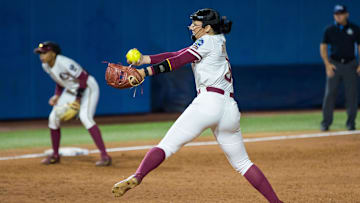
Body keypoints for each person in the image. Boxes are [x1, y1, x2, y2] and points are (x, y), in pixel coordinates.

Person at [112, 8, 283, 203]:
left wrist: (146, 72)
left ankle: (138, 176)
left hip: (208, 103)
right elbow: (177, 53)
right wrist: (145, 59)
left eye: (196, 24)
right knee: (243, 163)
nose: (191, 26)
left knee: (167, 146)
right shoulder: (216, 41)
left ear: (208, 27)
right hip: (230, 108)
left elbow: (178, 61)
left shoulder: (207, 41)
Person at [34, 41, 112, 166]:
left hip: (87, 87)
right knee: (53, 118)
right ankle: (55, 155)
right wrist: (57, 96)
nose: (41, 56)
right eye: (40, 53)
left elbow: (84, 77)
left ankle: (105, 156)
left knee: (85, 117)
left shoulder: (64, 62)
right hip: (71, 90)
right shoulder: (46, 66)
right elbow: (60, 81)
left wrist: (77, 100)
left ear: (53, 54)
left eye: (44, 53)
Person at [320, 4, 360, 131]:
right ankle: (326, 123)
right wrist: (327, 64)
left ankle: (351, 123)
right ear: (334, 15)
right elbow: (323, 47)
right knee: (329, 95)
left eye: (341, 13)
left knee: (352, 96)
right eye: (336, 14)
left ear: (346, 14)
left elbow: (359, 46)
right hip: (335, 65)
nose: (338, 16)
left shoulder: (354, 29)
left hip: (350, 65)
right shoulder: (329, 30)